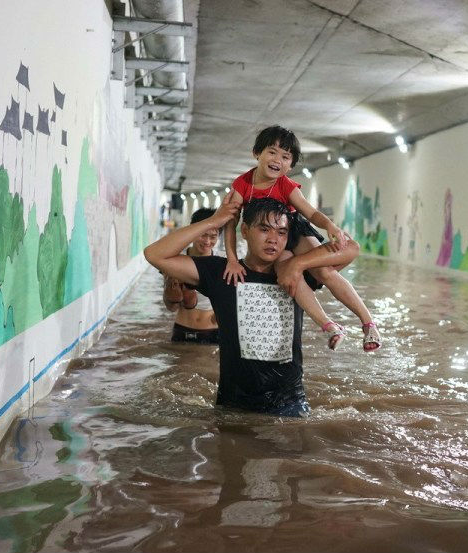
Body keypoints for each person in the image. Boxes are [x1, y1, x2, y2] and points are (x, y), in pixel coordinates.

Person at [145, 195, 351, 416]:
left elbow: (350, 251)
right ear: (244, 231)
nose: (273, 239)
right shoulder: (221, 273)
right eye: (264, 229)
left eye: (281, 232)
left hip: (290, 404)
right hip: (234, 404)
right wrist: (214, 221)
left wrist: (300, 262)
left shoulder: (297, 277)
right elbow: (154, 255)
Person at [222, 125, 381, 352]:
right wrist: (232, 259)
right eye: (272, 152)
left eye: (286, 156)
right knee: (289, 275)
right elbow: (230, 223)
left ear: (291, 164)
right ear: (257, 153)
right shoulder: (243, 185)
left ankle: (369, 323)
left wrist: (330, 226)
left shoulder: (285, 185)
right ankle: (329, 326)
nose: (278, 159)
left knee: (324, 271)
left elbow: (310, 212)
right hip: (277, 239)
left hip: (295, 229)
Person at [163, 208, 220, 343]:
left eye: (213, 237)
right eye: (203, 235)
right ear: (193, 231)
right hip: (183, 329)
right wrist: (173, 295)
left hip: (213, 332)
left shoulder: (222, 264)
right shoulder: (176, 260)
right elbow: (171, 308)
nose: (207, 242)